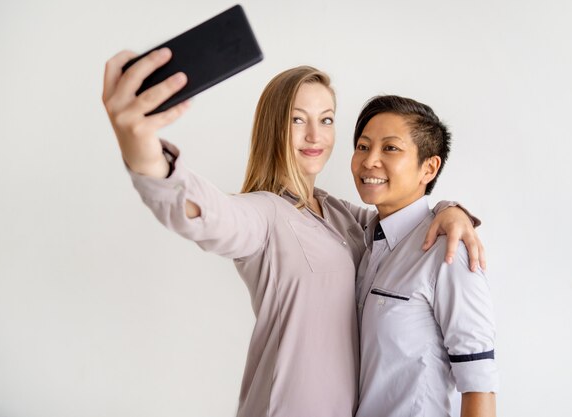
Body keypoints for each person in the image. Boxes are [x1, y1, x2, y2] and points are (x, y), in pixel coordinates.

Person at [102, 48, 485, 417]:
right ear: (275, 127)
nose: (315, 135)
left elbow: (400, 219)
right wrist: (142, 149)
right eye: (298, 119)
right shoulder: (263, 213)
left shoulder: (342, 216)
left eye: (327, 119)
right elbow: (205, 212)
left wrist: (450, 210)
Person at [352, 95, 498, 417]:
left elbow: (479, 385)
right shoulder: (362, 238)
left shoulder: (450, 251)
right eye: (363, 146)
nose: (369, 160)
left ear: (429, 167)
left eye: (390, 148)